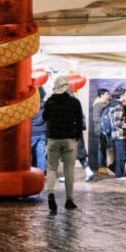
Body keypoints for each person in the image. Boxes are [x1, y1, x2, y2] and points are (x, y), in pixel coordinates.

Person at [43, 74, 84, 212]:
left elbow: (44, 117)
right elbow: (79, 122)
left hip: (53, 139)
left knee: (51, 169)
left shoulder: (49, 102)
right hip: (69, 140)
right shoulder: (75, 102)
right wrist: (76, 137)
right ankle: (69, 200)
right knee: (69, 170)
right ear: (67, 88)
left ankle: (51, 195)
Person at [108, 90, 126, 179]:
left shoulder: (112, 104)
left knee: (119, 154)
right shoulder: (119, 105)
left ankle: (118, 173)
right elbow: (117, 122)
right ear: (122, 95)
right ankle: (119, 175)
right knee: (121, 154)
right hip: (119, 134)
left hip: (114, 133)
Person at [92, 89, 110, 175]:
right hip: (101, 130)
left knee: (104, 147)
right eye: (107, 94)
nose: (108, 96)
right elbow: (95, 118)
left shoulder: (103, 104)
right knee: (102, 148)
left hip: (103, 129)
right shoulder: (99, 104)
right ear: (101, 95)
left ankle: (104, 166)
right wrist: (101, 127)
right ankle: (101, 166)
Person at [30, 86, 47, 173]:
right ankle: (41, 172)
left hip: (32, 133)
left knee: (27, 154)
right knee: (40, 154)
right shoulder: (46, 107)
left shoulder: (31, 106)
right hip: (42, 133)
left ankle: (27, 171)